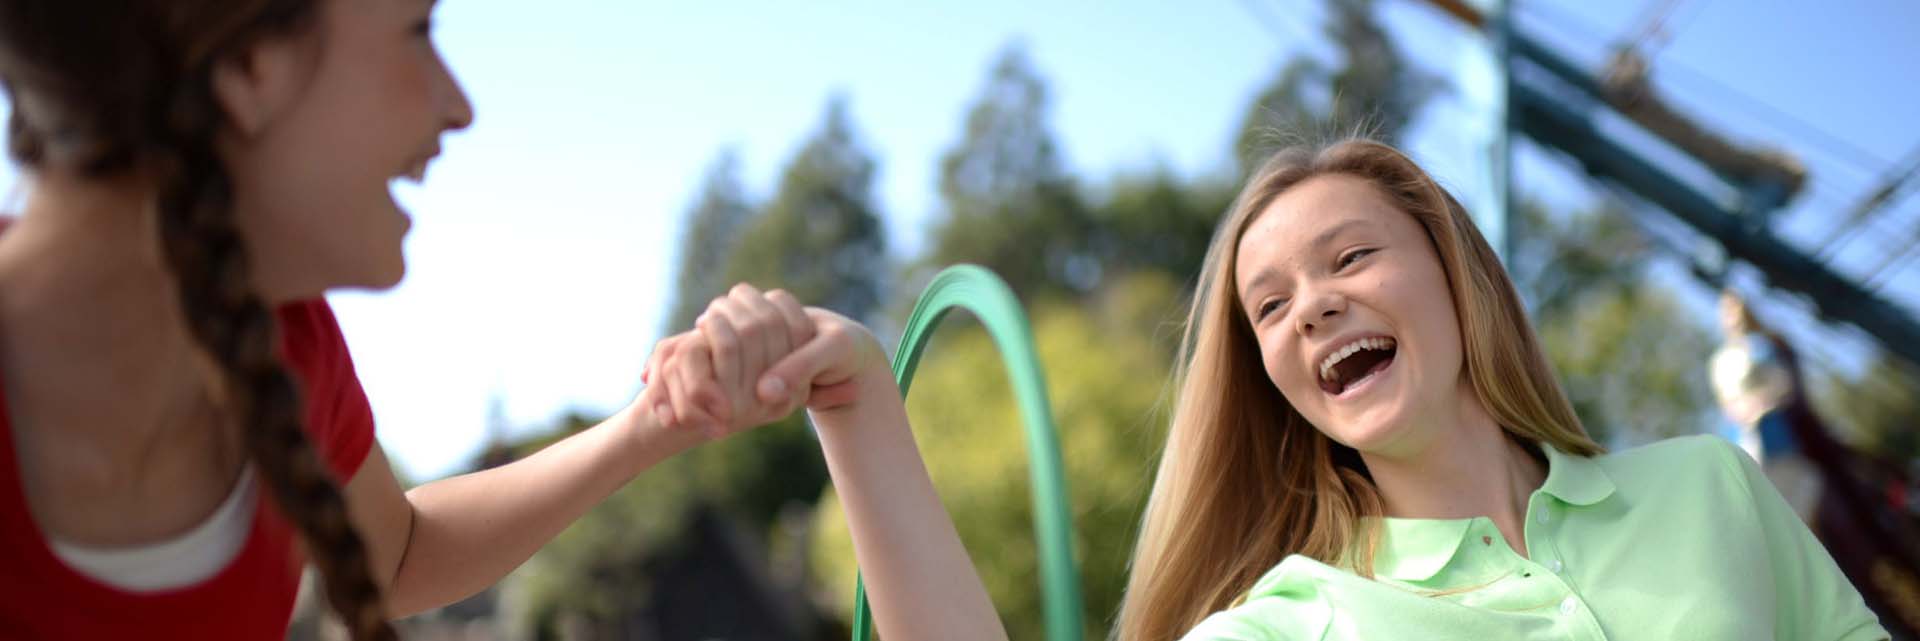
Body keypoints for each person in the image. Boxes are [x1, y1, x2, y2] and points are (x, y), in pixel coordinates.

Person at [647, 138, 1890, 639]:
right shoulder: (1289, 623)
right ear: (1274, 377)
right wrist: (859, 401)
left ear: (1456, 276)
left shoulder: (1710, 489)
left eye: (1350, 258)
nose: (1315, 308)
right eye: (1272, 305)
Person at [0, 2, 807, 639]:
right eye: (419, 29)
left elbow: (401, 554)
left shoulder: (288, 343)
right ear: (250, 63)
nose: (460, 106)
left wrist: (655, 421)